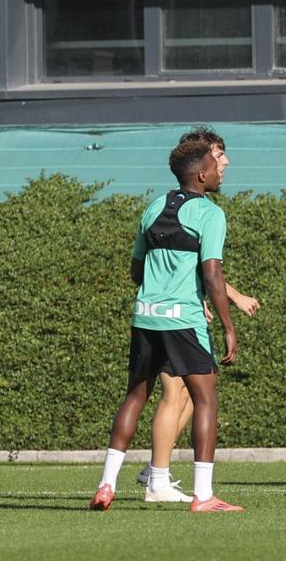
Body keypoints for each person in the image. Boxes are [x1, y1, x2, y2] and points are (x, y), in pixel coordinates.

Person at [90, 139, 242, 513]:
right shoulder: (210, 214)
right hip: (183, 319)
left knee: (135, 396)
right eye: (214, 162)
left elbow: (136, 271)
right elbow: (212, 273)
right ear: (202, 174)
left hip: (144, 315)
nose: (220, 169)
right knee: (205, 398)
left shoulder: (154, 206)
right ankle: (202, 495)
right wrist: (228, 325)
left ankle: (106, 484)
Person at [134, 126, 260, 502]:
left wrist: (229, 296)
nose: (225, 162)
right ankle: (158, 476)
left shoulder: (172, 206)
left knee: (188, 396)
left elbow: (196, 267)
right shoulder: (194, 207)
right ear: (202, 163)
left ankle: (156, 468)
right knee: (179, 395)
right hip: (176, 316)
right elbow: (206, 270)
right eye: (219, 155)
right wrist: (226, 311)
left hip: (174, 310)